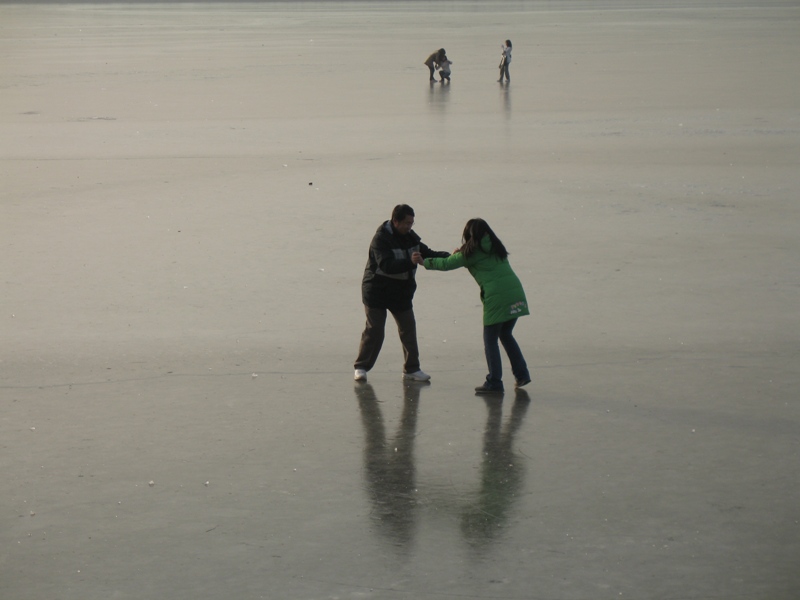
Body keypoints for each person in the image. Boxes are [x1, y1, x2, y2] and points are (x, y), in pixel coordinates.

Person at [413, 218, 531, 394]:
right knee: (506, 334)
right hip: (515, 294)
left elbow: (446, 264)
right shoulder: (496, 246)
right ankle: (522, 375)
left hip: (497, 298)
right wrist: (460, 254)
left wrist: (424, 262)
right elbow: (468, 258)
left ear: (469, 235)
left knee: (490, 340)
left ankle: (495, 382)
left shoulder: (472, 252)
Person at [354, 204, 450, 383]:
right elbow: (386, 265)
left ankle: (412, 369)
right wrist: (410, 261)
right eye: (406, 223)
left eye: (412, 223)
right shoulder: (380, 239)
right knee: (375, 330)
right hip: (376, 291)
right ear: (395, 221)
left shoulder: (411, 238)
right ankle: (361, 367)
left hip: (401, 293)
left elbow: (429, 253)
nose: (409, 227)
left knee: (408, 329)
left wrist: (452, 256)